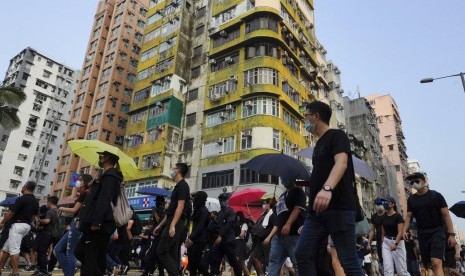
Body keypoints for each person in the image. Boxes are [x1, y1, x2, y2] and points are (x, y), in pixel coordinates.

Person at [295, 101, 363, 275]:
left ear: (316, 116)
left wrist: (327, 189)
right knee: (301, 252)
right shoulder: (318, 145)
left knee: (348, 261)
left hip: (339, 208)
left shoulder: (337, 135)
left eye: (307, 116)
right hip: (316, 213)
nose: (305, 120)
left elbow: (341, 163)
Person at [75, 151, 122, 276]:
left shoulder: (110, 177)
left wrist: (97, 222)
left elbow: (104, 199)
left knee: (86, 254)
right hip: (98, 221)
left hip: (98, 223)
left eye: (101, 156)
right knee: (96, 255)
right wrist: (95, 182)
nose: (99, 157)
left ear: (107, 159)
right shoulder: (105, 177)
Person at [403, 172, 457, 276]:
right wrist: (405, 230)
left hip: (437, 232)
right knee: (428, 265)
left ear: (424, 181)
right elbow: (409, 216)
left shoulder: (436, 196)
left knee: (436, 262)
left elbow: (446, 215)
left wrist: (452, 235)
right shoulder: (411, 199)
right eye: (412, 182)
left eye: (417, 181)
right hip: (422, 234)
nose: (414, 183)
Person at [155, 163, 190, 276]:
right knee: (170, 252)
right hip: (171, 221)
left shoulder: (183, 186)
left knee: (161, 251)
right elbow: (170, 211)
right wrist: (160, 226)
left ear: (178, 171)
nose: (172, 170)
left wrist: (172, 225)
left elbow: (180, 206)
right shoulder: (177, 186)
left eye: (174, 168)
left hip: (176, 223)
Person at [54, 173, 92, 276]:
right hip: (75, 223)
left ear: (86, 182)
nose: (78, 182)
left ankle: (69, 273)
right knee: (57, 249)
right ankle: (69, 272)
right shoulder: (85, 193)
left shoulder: (86, 193)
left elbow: (74, 209)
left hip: (77, 223)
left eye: (80, 179)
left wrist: (61, 208)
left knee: (70, 252)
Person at [0, 181, 39, 276]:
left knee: (14, 250)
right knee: (6, 249)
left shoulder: (21, 199)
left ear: (25, 187)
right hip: (27, 226)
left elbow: (10, 213)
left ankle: (15, 273)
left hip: (17, 226)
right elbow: (34, 216)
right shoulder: (35, 201)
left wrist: (2, 222)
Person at [268, 178, 306, 276]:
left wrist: (288, 223)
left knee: (297, 262)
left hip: (293, 233)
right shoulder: (282, 195)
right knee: (273, 261)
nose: (282, 178)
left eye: (285, 176)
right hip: (279, 235)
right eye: (281, 177)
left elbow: (298, 208)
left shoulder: (298, 191)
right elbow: (280, 213)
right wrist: (274, 205)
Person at [210, 193, 242, 276]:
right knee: (215, 261)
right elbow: (219, 225)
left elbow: (228, 224)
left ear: (227, 200)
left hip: (228, 241)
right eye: (220, 200)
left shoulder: (231, 211)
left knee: (233, 262)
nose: (221, 202)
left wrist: (220, 235)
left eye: (223, 200)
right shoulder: (220, 212)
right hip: (220, 242)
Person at [380, 196, 409, 275]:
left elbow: (400, 232)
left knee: (402, 271)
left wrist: (396, 243)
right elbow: (383, 233)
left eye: (386, 201)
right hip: (386, 243)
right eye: (383, 201)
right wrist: (383, 243)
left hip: (397, 243)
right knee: (388, 269)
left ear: (392, 204)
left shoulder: (398, 216)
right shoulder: (383, 217)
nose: (384, 203)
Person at [250, 198, 277, 276]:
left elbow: (275, 227)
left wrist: (268, 238)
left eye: (265, 203)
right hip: (260, 240)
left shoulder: (272, 215)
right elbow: (261, 225)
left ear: (268, 205)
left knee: (269, 261)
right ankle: (262, 274)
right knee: (255, 257)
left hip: (268, 240)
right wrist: (253, 220)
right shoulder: (263, 215)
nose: (263, 205)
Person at [186, 191, 210, 276]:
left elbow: (200, 227)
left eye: (196, 198)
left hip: (199, 240)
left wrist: (191, 238)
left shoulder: (204, 211)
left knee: (197, 261)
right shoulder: (196, 210)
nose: (194, 200)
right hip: (192, 239)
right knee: (192, 263)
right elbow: (192, 225)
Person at [35, 195, 60, 275]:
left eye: (47, 202)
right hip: (54, 234)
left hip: (47, 233)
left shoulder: (50, 211)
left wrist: (39, 220)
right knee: (43, 251)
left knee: (42, 251)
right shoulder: (59, 211)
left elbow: (47, 221)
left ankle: (43, 271)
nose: (47, 204)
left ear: (50, 202)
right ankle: (41, 269)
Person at [368, 198, 386, 274]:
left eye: (380, 204)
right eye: (377, 205)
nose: (379, 206)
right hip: (379, 242)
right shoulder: (374, 216)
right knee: (381, 259)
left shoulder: (387, 214)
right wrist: (369, 242)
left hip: (388, 240)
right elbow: (372, 230)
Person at [234, 211, 250, 276]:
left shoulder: (244, 225)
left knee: (234, 262)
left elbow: (242, 235)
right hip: (235, 243)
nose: (237, 217)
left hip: (240, 243)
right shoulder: (235, 224)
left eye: (238, 216)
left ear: (240, 216)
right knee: (242, 263)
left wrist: (237, 230)